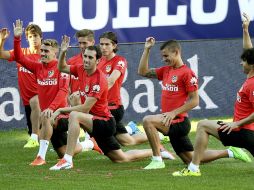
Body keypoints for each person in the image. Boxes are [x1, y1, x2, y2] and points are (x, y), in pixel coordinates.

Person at [138, 37, 251, 170]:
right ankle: (230, 152)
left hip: (178, 121)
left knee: (148, 121)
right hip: (169, 119)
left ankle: (157, 159)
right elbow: (142, 72)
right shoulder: (166, 70)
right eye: (163, 56)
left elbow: (194, 100)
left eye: (166, 56)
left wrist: (174, 113)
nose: (164, 59)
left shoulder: (187, 73)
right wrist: (147, 49)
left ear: (176, 52)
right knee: (191, 159)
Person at [49, 36, 152, 170]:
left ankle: (67, 159)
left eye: (90, 58)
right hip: (94, 122)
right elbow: (62, 67)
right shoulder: (81, 69)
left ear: (98, 61)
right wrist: (63, 51)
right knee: (121, 158)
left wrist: (61, 110)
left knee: (75, 115)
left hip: (104, 123)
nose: (86, 60)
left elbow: (85, 108)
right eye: (85, 56)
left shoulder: (99, 79)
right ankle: (157, 151)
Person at [172, 13, 254, 177]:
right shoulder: (250, 75)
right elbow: (248, 52)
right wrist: (245, 30)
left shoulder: (252, 84)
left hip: (242, 132)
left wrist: (237, 124)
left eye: (243, 61)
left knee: (202, 125)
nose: (240, 62)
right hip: (247, 132)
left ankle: (193, 169)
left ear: (251, 64)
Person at [97, 31, 174, 159]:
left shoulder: (119, 61)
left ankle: (72, 154)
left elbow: (110, 81)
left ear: (114, 46)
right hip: (103, 106)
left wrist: (93, 96)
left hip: (112, 107)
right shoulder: (99, 61)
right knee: (127, 141)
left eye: (107, 44)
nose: (103, 47)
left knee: (120, 156)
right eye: (101, 44)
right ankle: (156, 139)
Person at [13, 19, 70, 165]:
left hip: (62, 114)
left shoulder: (61, 68)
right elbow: (19, 57)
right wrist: (17, 38)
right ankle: (91, 144)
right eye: (42, 51)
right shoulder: (38, 67)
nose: (42, 53)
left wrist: (51, 108)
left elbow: (63, 90)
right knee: (64, 151)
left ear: (55, 52)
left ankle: (41, 157)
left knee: (45, 116)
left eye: (46, 51)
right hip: (50, 115)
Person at [0, 25, 41, 148]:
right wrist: (2, 40)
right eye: (30, 36)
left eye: (36, 36)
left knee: (36, 102)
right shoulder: (21, 53)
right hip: (28, 101)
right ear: (27, 39)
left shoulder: (45, 56)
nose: (33, 39)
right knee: (37, 132)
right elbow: (1, 54)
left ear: (41, 37)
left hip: (43, 99)